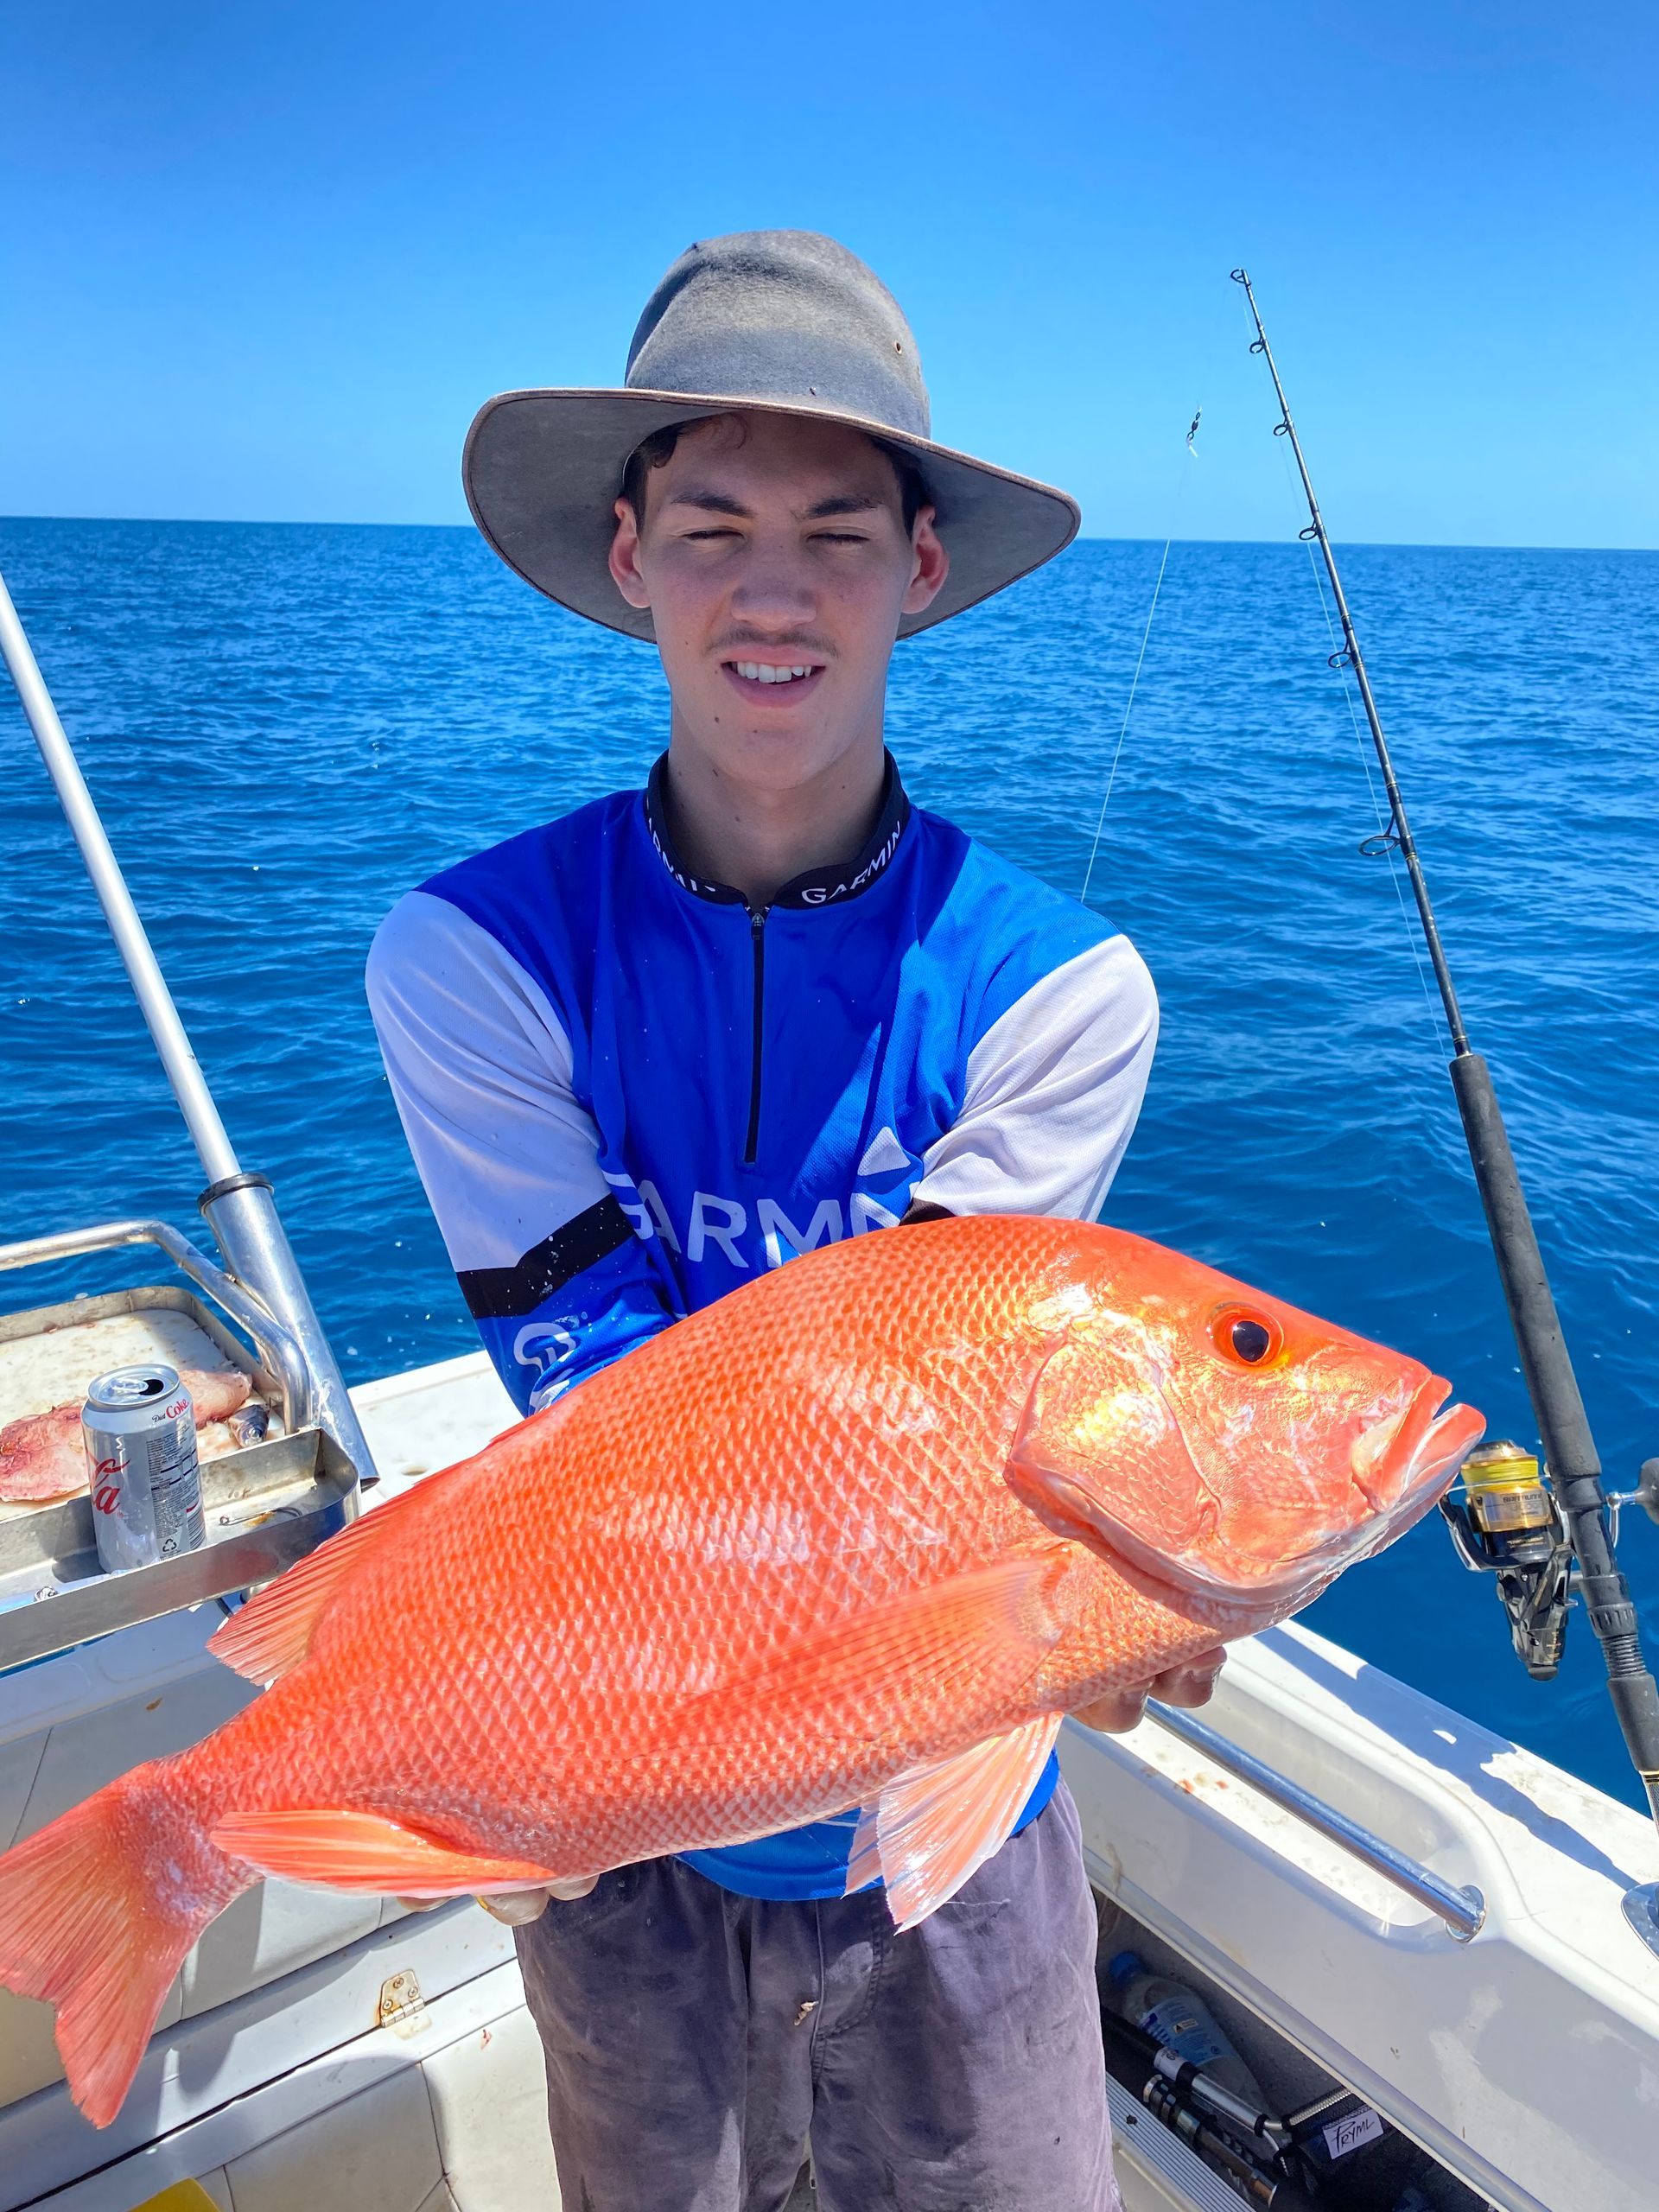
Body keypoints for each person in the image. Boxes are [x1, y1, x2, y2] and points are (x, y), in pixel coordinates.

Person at [367, 230, 1223, 2212]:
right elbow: (643, 1430)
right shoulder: (470, 956)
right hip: (612, 1821)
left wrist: (1110, 1576)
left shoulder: (1058, 988)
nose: (773, 590)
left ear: (922, 569)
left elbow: (914, 1435)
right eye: (717, 523)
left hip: (953, 1823)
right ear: (624, 553)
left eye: (840, 532)